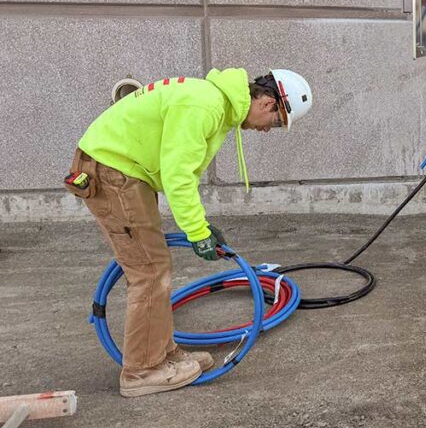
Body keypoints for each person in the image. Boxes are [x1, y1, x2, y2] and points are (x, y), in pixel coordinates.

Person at [64, 68, 312, 396]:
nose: (268, 130)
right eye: (277, 122)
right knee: (149, 272)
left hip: (124, 171)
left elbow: (183, 170)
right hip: (113, 172)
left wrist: (201, 224)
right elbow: (178, 175)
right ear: (268, 102)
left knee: (155, 267)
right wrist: (197, 231)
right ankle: (141, 372)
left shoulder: (214, 102)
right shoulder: (205, 106)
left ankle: (161, 354)